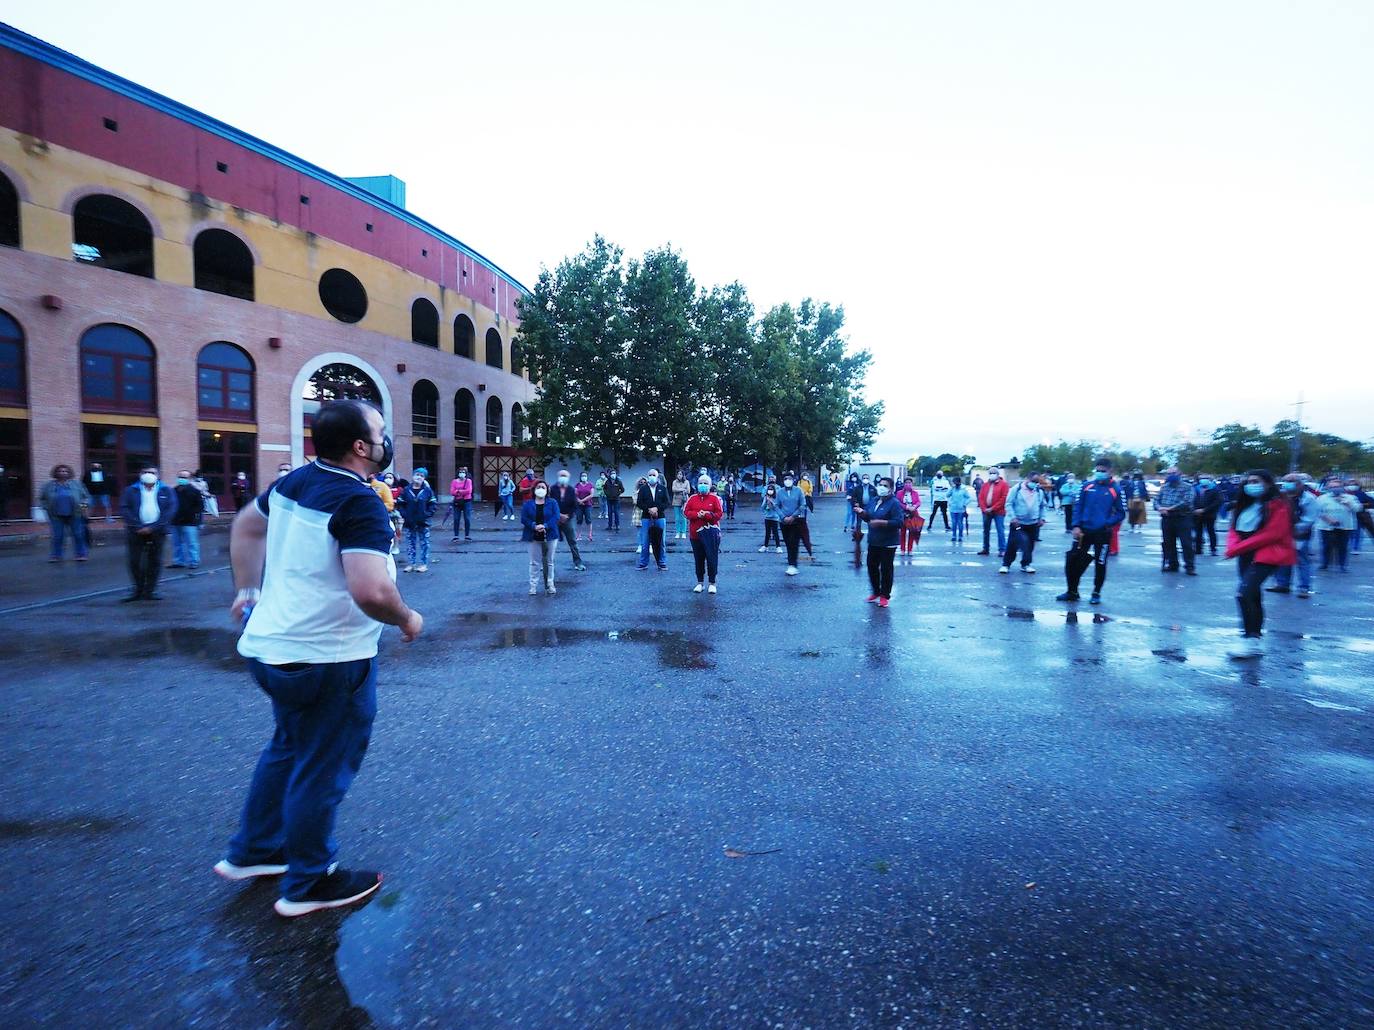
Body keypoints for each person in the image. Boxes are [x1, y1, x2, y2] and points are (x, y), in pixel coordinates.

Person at [217, 398, 422, 917]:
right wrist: (407, 618)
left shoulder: (296, 482)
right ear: (361, 446)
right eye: (379, 431)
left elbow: (245, 525)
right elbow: (371, 590)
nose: (385, 439)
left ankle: (255, 852)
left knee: (288, 748)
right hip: (328, 659)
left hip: (271, 649)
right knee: (322, 765)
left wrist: (246, 590)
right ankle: (309, 881)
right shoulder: (359, 502)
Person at [1224, 470, 1295, 659]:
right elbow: (1234, 529)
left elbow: (1273, 534)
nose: (1250, 484)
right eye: (1247, 481)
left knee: (1244, 593)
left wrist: (1236, 549)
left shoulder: (1278, 505)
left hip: (1266, 554)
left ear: (1268, 483)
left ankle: (1251, 639)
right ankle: (1252, 637)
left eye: (1255, 481)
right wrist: (1233, 546)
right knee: (1252, 595)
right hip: (1246, 554)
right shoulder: (1244, 505)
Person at [1057, 458, 1125, 606]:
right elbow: (1078, 507)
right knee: (1074, 561)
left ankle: (1096, 593)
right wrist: (1075, 526)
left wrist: (1107, 523)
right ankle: (1072, 591)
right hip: (1083, 532)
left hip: (1103, 534)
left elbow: (1121, 513)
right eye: (1098, 470)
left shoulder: (1116, 489)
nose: (1100, 473)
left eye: (1103, 471)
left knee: (1100, 564)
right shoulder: (1086, 486)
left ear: (1110, 471)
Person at [118, 466, 175, 601]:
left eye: (152, 472)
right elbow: (124, 509)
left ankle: (150, 591)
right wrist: (138, 526)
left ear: (158, 475)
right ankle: (137, 589)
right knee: (134, 561)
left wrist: (153, 527)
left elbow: (170, 511)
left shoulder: (166, 490)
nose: (149, 475)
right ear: (140, 474)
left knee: (154, 561)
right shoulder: (131, 490)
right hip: (135, 531)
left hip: (157, 532)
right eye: (145, 472)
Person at [855, 476, 902, 608]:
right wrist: (862, 513)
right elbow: (870, 518)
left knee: (886, 569)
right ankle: (876, 592)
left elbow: (899, 522)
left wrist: (883, 523)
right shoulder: (874, 500)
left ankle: (884, 595)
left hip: (888, 542)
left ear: (891, 489)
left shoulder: (894, 503)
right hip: (874, 540)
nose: (881, 487)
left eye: (885, 486)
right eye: (880, 484)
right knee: (872, 566)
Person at [1269, 474, 1317, 598]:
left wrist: (1293, 529)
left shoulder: (1309, 499)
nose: (1287, 483)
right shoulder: (1281, 497)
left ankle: (1304, 588)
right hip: (1281, 535)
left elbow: (1309, 519)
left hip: (1300, 535)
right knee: (1282, 559)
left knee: (1302, 561)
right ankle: (1282, 584)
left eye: (1291, 481)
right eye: (1285, 481)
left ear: (1300, 483)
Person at [41, 464, 91, 562]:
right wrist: (47, 508)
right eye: (60, 471)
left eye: (65, 471)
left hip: (75, 514)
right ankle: (56, 555)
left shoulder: (77, 485)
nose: (63, 473)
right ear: (56, 473)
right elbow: (42, 499)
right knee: (57, 536)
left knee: (78, 535)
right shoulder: (49, 485)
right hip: (56, 516)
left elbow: (86, 497)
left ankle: (81, 554)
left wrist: (83, 507)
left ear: (69, 473)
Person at [684, 474, 724, 593]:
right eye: (701, 483)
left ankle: (712, 582)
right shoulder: (692, 498)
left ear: (710, 485)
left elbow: (719, 514)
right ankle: (700, 582)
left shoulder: (714, 499)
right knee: (698, 559)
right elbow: (686, 512)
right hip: (695, 535)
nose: (703, 485)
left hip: (710, 535)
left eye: (706, 483)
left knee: (711, 558)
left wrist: (707, 515)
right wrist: (697, 515)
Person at [521, 479, 561, 595]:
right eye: (538, 487)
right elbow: (524, 519)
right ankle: (533, 586)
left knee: (549, 561)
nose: (541, 489)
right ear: (534, 490)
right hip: (532, 535)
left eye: (543, 487)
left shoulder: (552, 502)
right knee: (534, 562)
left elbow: (556, 516)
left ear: (547, 489)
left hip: (550, 535)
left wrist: (546, 526)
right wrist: (534, 526)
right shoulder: (528, 504)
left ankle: (550, 584)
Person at [1154, 468, 1197, 575]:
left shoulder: (1187, 487)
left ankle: (1189, 566)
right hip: (1167, 518)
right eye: (1168, 474)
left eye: (1173, 473)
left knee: (1186, 543)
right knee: (1168, 543)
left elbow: (1187, 502)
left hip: (1182, 518)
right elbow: (1156, 500)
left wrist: (1170, 508)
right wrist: (1159, 508)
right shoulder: (1164, 487)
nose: (1170, 476)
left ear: (1179, 474)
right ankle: (1172, 564)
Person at [1001, 473, 1047, 574]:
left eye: (1037, 482)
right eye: (1033, 481)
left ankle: (1026, 564)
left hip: (1033, 523)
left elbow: (1042, 506)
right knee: (1014, 544)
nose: (1035, 484)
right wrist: (1013, 518)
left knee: (1030, 545)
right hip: (1018, 523)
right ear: (1027, 479)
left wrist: (1042, 518)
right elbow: (1008, 504)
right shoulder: (1016, 489)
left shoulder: (1039, 491)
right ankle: (1006, 564)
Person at [1315, 477, 1357, 572]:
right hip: (1326, 526)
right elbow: (1317, 511)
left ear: (1342, 487)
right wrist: (1328, 519)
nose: (1335, 489)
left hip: (1345, 526)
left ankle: (1343, 565)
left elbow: (1358, 509)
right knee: (1326, 546)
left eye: (1338, 487)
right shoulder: (1322, 498)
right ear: (1329, 488)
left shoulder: (1350, 498)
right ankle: (1324, 563)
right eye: (1333, 487)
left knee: (1343, 546)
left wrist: (1348, 503)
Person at [397, 470, 437, 573]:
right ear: (413, 476)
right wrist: (404, 514)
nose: (418, 477)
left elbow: (433, 505)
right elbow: (400, 504)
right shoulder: (406, 490)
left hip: (423, 522)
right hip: (409, 522)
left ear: (424, 478)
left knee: (424, 543)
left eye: (421, 475)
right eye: (417, 474)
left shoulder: (428, 491)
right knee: (410, 543)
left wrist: (426, 515)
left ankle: (424, 564)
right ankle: (411, 564)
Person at [550, 470, 588, 573]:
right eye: (561, 475)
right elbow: (550, 504)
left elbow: (575, 505)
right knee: (550, 542)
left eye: (565, 476)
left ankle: (578, 563)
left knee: (572, 542)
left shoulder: (571, 490)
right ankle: (548, 563)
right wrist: (558, 515)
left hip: (568, 519)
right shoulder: (552, 489)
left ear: (568, 477)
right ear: (558, 476)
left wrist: (567, 516)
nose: (563, 477)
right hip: (555, 519)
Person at [168, 469, 204, 569]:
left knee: (192, 543)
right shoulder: (173, 491)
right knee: (176, 543)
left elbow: (200, 507)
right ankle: (179, 561)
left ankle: (194, 561)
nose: (181, 479)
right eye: (180, 477)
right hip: (175, 521)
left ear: (190, 479)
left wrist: (198, 520)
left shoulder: (195, 491)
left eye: (184, 477)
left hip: (190, 522)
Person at [636, 470, 670, 571]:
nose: (652, 477)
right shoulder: (643, 489)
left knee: (661, 541)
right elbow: (639, 502)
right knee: (645, 541)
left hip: (660, 517)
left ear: (657, 476)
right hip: (646, 517)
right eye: (650, 475)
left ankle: (662, 562)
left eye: (653, 475)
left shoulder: (662, 489)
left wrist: (657, 509)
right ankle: (643, 563)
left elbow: (667, 502)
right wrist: (649, 509)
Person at [776, 472, 807, 576]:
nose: (787, 481)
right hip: (783, 521)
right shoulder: (780, 492)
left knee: (794, 542)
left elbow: (802, 505)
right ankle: (792, 564)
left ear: (793, 480)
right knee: (788, 542)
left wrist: (793, 516)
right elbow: (777, 506)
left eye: (789, 479)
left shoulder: (798, 491)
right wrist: (783, 517)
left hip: (796, 520)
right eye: (785, 479)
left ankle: (792, 564)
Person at [977, 468, 1009, 556]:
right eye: (990, 473)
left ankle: (1002, 549)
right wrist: (984, 509)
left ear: (998, 474)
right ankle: (985, 548)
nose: (992, 474)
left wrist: (992, 508)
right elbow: (981, 497)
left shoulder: (1004, 485)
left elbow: (1003, 498)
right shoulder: (985, 485)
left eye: (994, 473)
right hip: (986, 511)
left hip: (998, 512)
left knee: (1000, 530)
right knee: (986, 531)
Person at [1192, 475, 1223, 557]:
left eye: (1205, 478)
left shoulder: (1215, 489)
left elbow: (1217, 502)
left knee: (1211, 531)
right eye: (1201, 478)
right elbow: (1191, 500)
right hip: (1197, 515)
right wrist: (1195, 510)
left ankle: (1213, 549)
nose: (1203, 480)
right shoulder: (1196, 488)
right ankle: (1198, 549)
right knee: (1198, 532)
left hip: (1210, 515)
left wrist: (1205, 510)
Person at [895, 477, 923, 556]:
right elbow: (897, 502)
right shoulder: (899, 493)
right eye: (906, 483)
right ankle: (902, 549)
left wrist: (914, 506)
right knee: (902, 532)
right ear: (904, 484)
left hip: (913, 514)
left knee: (912, 532)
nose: (908, 484)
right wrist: (906, 507)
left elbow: (918, 502)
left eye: (909, 483)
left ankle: (910, 549)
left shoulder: (915, 493)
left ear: (912, 484)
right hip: (903, 514)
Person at [449, 467, 474, 542]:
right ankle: (456, 535)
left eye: (463, 472)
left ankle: (467, 535)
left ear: (466, 473)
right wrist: (462, 491)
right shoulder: (454, 481)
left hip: (467, 501)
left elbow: (469, 491)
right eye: (460, 472)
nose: (462, 474)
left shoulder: (468, 481)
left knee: (467, 518)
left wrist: (458, 491)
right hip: (457, 502)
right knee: (456, 518)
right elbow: (452, 492)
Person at [948, 476, 972, 543]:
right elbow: (947, 495)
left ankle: (960, 536)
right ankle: (954, 536)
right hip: (953, 508)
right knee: (954, 523)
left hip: (961, 509)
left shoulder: (963, 489)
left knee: (960, 523)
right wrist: (951, 489)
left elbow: (969, 498)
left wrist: (964, 504)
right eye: (954, 483)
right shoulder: (953, 489)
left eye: (956, 482)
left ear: (959, 482)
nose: (955, 484)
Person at [760, 484, 782, 553]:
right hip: (767, 517)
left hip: (774, 518)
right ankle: (765, 546)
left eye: (771, 489)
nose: (770, 491)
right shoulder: (765, 497)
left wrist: (771, 501)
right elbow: (762, 507)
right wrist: (766, 502)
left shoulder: (776, 498)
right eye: (769, 489)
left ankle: (778, 547)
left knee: (775, 533)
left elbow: (777, 507)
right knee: (767, 533)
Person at [575, 472, 596, 542]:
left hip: (588, 505)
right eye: (582, 476)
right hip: (579, 505)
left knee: (588, 519)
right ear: (580, 477)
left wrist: (582, 500)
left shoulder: (590, 485)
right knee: (579, 520)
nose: (584, 477)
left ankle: (589, 535)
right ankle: (578, 535)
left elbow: (591, 495)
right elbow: (575, 494)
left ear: (587, 477)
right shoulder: (577, 485)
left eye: (585, 476)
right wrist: (579, 501)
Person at [671, 469, 690, 539]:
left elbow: (688, 490)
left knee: (683, 518)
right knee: (677, 518)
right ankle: (678, 532)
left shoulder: (686, 482)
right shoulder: (674, 482)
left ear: (683, 475)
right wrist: (682, 489)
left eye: (681, 474)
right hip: (676, 501)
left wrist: (680, 489)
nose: (679, 475)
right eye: (678, 474)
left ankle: (683, 532)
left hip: (684, 501)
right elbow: (673, 489)